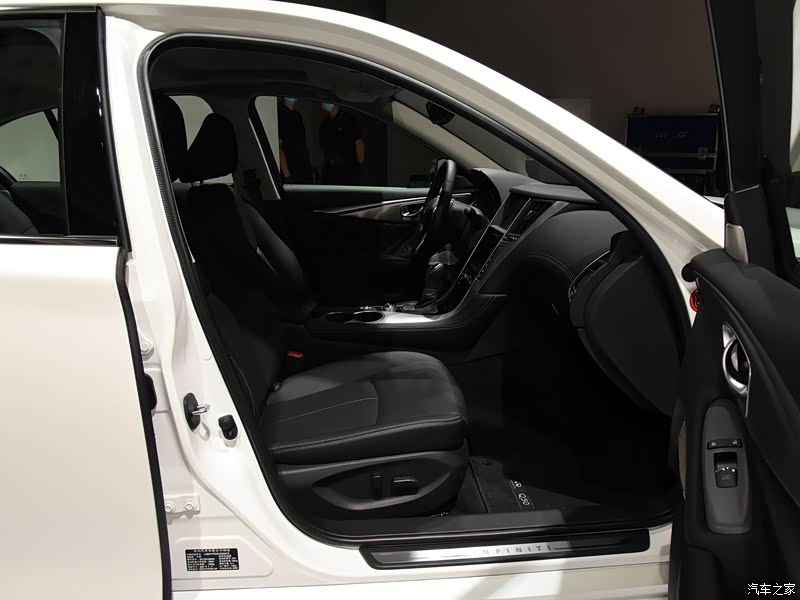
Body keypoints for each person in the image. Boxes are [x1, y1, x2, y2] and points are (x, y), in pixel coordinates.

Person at [318, 103, 365, 184]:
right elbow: (323, 149)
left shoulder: (349, 119)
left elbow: (359, 143)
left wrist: (359, 167)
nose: (323, 103)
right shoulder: (325, 123)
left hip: (347, 171)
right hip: (329, 172)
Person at [277, 97, 312, 183]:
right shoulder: (279, 114)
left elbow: (302, 144)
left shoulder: (297, 115)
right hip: (292, 173)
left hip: (304, 171)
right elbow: (278, 147)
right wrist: (287, 176)